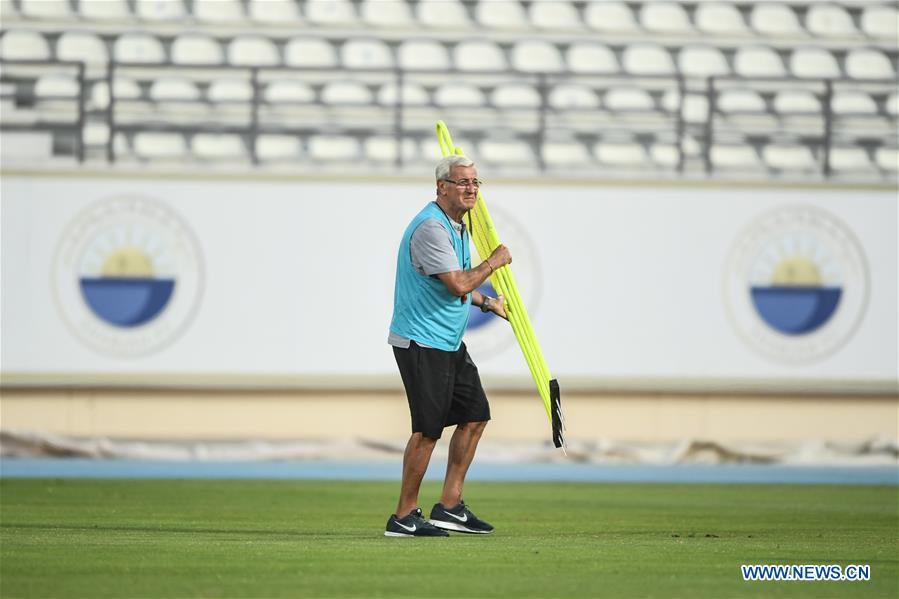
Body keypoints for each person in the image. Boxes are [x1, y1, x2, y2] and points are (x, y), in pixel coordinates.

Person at [384, 155, 512, 537]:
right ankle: (403, 516)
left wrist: (487, 303)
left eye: (475, 182)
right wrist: (494, 262)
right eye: (462, 183)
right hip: (421, 341)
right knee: (427, 430)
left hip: (448, 341)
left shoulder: (457, 227)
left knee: (475, 416)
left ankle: (450, 506)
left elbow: (445, 286)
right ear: (441, 187)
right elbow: (457, 283)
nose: (471, 188)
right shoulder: (431, 228)